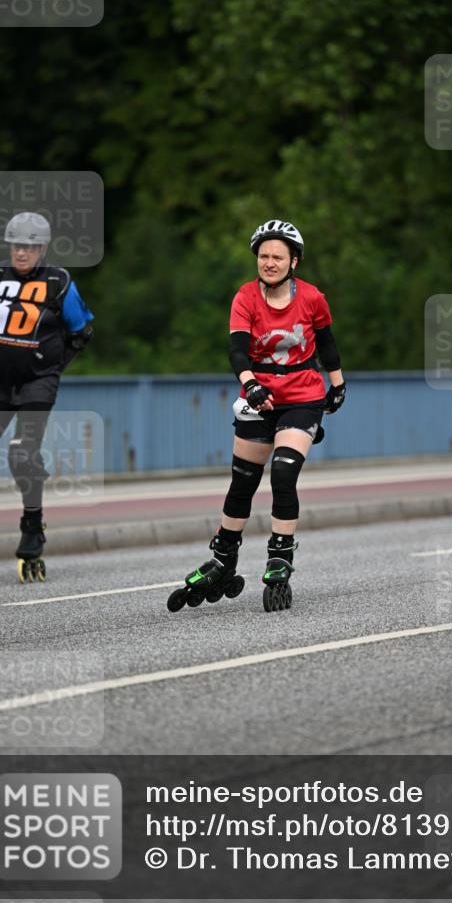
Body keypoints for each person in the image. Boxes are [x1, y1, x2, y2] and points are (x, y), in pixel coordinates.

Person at [167, 219, 345, 614]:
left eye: (278, 257)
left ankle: (280, 557)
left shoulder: (312, 298)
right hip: (258, 396)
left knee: (283, 473)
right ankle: (223, 558)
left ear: (293, 262)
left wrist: (337, 384)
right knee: (242, 482)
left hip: (302, 396)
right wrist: (251, 385)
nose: (269, 262)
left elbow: (327, 343)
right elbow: (237, 350)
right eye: (263, 256)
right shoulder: (246, 297)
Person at [0, 212, 94, 580]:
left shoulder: (59, 281)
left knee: (21, 455)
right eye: (16, 245)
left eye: (29, 247)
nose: (21, 252)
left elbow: (81, 332)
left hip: (38, 383)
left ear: (42, 248)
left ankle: (32, 526)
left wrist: (51, 368)